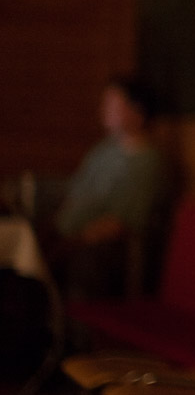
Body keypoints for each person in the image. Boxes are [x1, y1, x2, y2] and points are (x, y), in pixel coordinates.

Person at [46, 75, 171, 299]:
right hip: (63, 234)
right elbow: (74, 192)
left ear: (137, 111)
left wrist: (72, 242)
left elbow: (122, 222)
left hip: (95, 249)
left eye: (113, 104)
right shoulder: (102, 151)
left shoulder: (147, 162)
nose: (104, 110)